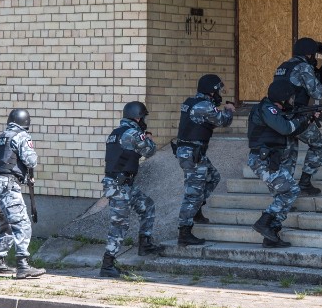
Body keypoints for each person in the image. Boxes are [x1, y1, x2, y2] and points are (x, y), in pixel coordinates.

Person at [247, 80, 317, 248]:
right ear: (282, 98)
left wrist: (308, 119)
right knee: (291, 190)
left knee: (284, 194)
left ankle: (271, 235)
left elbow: (293, 130)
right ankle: (264, 222)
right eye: (290, 98)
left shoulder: (275, 110)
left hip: (271, 159)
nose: (292, 101)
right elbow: (286, 128)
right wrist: (303, 118)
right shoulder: (268, 109)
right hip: (262, 160)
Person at [272, 37, 322, 196]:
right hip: (297, 117)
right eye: (314, 55)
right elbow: (318, 92)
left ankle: (284, 195)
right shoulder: (303, 67)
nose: (315, 58)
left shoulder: (283, 67)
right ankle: (304, 183)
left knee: (289, 155)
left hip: (281, 118)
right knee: (318, 143)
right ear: (308, 54)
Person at [100, 101, 164, 277]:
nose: (144, 121)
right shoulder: (132, 133)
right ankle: (107, 265)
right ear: (137, 117)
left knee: (147, 205)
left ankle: (145, 244)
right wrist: (148, 138)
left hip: (123, 184)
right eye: (143, 117)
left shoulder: (116, 133)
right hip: (119, 186)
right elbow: (149, 151)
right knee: (119, 225)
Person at [174, 74, 235, 246]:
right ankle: (184, 232)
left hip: (192, 152)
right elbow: (223, 121)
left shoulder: (191, 102)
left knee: (213, 177)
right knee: (193, 194)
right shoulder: (204, 106)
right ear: (212, 91)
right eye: (218, 90)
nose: (219, 94)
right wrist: (229, 109)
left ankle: (196, 209)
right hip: (193, 154)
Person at [0, 108, 46, 279]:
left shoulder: (0, 137)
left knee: (6, 224)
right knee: (22, 223)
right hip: (9, 184)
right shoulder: (21, 136)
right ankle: (23, 265)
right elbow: (31, 161)